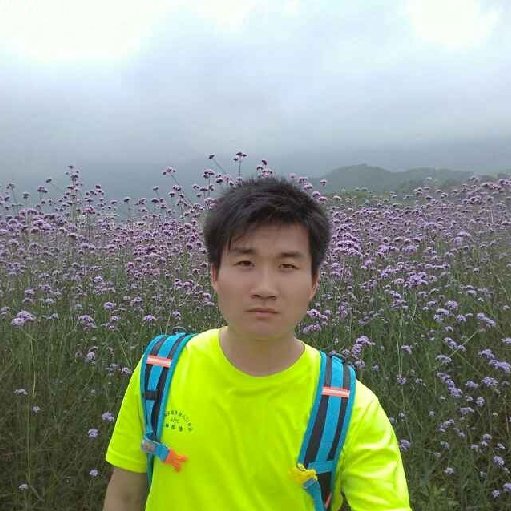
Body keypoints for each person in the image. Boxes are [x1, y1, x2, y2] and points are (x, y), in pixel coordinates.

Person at [103, 175, 411, 511]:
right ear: (214, 274)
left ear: (314, 282)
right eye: (245, 263)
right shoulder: (159, 371)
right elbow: (125, 496)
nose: (265, 288)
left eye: (287, 265)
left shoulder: (351, 408)